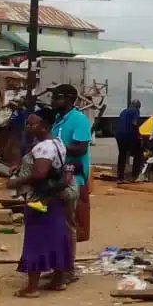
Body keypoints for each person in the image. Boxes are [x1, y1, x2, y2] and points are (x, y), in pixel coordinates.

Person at [8, 110, 77, 297]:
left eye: (33, 124)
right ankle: (57, 281)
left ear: (44, 126)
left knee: (35, 241)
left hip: (39, 197)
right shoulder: (57, 142)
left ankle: (31, 288)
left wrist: (17, 181)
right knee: (57, 237)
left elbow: (39, 173)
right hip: (55, 197)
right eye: (28, 124)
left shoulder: (43, 148)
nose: (28, 127)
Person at [50, 84, 91, 275]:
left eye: (57, 98)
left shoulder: (79, 120)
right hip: (58, 176)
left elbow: (81, 148)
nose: (53, 101)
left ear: (69, 99)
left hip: (73, 176)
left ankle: (68, 268)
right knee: (56, 223)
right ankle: (58, 265)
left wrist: (54, 147)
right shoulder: (58, 120)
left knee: (67, 224)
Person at [114, 99, 142, 183]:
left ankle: (120, 177)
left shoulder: (123, 111)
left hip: (119, 135)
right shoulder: (136, 111)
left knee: (122, 154)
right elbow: (134, 123)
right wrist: (138, 135)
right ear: (138, 107)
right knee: (138, 154)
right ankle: (134, 176)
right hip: (129, 135)